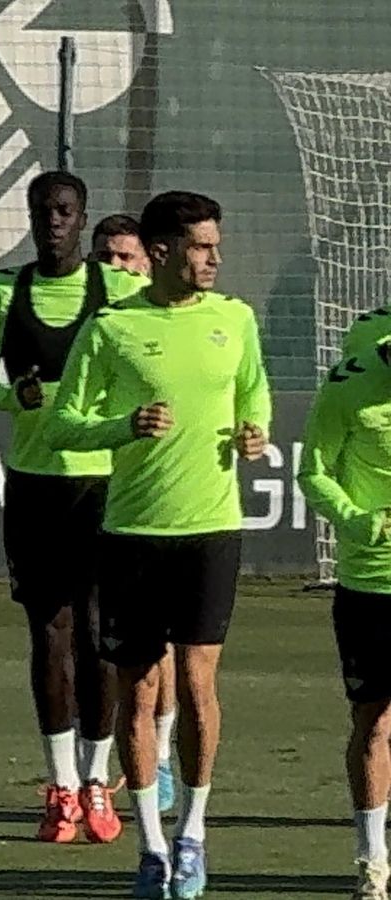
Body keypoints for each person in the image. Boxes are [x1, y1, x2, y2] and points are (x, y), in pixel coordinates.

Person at [48, 190, 271, 899]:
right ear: (165, 251)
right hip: (133, 537)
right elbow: (63, 426)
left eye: (216, 244)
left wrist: (255, 431)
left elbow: (253, 392)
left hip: (211, 530)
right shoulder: (111, 327)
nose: (215, 257)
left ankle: (194, 834)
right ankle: (149, 848)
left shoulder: (234, 318)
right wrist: (124, 426)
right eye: (203, 246)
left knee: (200, 687)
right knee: (137, 691)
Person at [0, 172, 148, 845]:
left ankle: (99, 783)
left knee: (100, 637)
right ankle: (61, 787)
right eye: (43, 211)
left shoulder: (120, 292)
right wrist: (17, 398)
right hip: (36, 485)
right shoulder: (1, 294)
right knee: (50, 634)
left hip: (104, 483)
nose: (53, 222)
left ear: (83, 218)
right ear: (29, 216)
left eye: (65, 212)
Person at [93, 212, 183, 815]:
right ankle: (97, 769)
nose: (115, 268)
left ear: (148, 261)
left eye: (126, 258)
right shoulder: (100, 323)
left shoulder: (164, 323)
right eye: (106, 258)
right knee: (115, 644)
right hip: (89, 488)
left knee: (168, 643)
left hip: (148, 496)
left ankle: (166, 752)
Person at [297, 336, 391, 900]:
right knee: (374, 721)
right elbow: (313, 471)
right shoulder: (350, 383)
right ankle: (373, 862)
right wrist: (357, 520)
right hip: (370, 585)